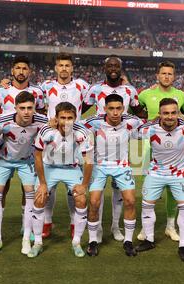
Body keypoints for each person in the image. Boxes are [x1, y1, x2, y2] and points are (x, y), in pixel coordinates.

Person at [82, 55, 147, 244]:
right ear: (104, 68)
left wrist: (150, 113)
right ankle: (99, 228)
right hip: (100, 143)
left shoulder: (129, 89)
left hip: (122, 142)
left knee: (121, 192)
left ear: (121, 68)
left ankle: (115, 227)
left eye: (116, 66)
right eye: (109, 65)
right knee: (96, 195)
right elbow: (81, 110)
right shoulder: (95, 89)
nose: (113, 68)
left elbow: (139, 112)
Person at [137, 61, 184, 242]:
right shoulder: (145, 94)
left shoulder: (180, 96)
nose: (166, 77)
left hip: (176, 147)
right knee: (149, 187)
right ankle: (146, 227)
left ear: (174, 76)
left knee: (174, 189)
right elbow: (135, 112)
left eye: (170, 74)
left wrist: (183, 119)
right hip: (151, 146)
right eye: (163, 73)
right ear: (157, 75)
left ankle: (170, 226)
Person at [0, 55, 44, 243]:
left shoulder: (37, 91)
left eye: (24, 68)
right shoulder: (2, 90)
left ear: (30, 72)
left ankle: (25, 225)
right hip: (5, 146)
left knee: (27, 188)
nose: (21, 71)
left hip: (27, 147)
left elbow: (41, 115)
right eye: (17, 68)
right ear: (12, 71)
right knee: (2, 188)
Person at [0, 91, 47, 255]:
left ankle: (26, 238)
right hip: (2, 161)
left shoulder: (42, 121)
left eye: (30, 108)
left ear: (34, 108)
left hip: (27, 162)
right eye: (22, 108)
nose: (26, 112)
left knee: (30, 195)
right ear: (15, 108)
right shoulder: (2, 122)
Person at [135, 98, 184, 262]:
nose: (170, 117)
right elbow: (134, 132)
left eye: (173, 113)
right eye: (166, 113)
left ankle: (183, 246)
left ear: (178, 113)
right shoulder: (150, 130)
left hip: (180, 174)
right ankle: (149, 240)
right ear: (160, 114)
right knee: (147, 206)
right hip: (156, 173)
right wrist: (152, 121)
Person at [29, 102, 94, 258]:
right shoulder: (46, 130)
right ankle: (37, 242)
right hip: (49, 168)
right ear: (56, 118)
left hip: (72, 169)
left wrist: (84, 185)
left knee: (81, 200)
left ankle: (76, 242)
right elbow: (37, 157)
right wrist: (43, 184)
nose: (66, 121)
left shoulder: (83, 133)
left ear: (75, 118)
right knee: (39, 198)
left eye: (70, 118)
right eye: (62, 118)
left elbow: (89, 160)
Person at [40, 53, 90, 239]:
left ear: (72, 68)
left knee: (74, 188)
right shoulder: (46, 86)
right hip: (52, 139)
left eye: (67, 65)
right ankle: (46, 222)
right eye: (60, 65)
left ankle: (72, 222)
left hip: (74, 140)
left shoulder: (82, 85)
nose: (64, 68)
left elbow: (95, 98)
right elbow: (31, 99)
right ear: (55, 67)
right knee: (49, 187)